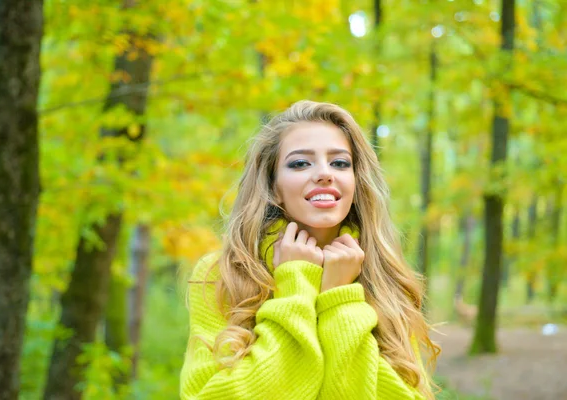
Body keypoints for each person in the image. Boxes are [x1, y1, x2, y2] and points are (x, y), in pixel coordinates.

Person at [180, 100, 440, 399]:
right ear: (273, 185)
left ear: (355, 183)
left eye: (340, 163)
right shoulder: (223, 273)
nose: (324, 173)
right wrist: (296, 285)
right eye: (300, 163)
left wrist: (339, 299)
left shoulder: (383, 277)